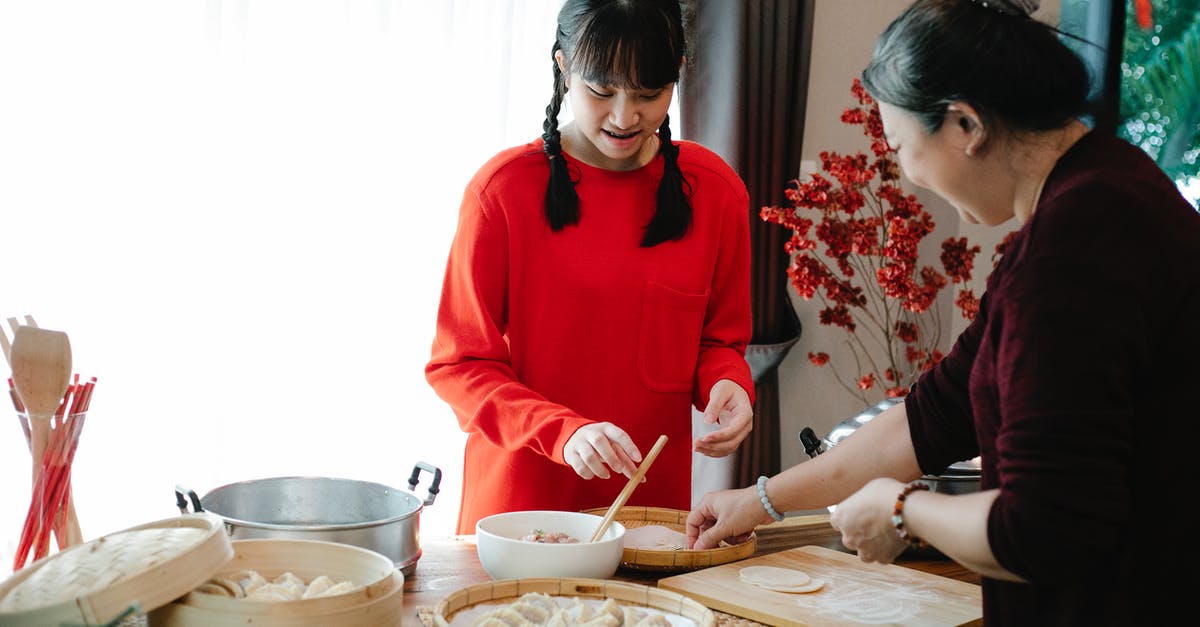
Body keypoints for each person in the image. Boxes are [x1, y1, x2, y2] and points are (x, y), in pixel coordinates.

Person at [686, 0, 1199, 624]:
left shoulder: (1071, 258)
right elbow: (930, 418)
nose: (905, 172)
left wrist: (903, 513)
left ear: (966, 125)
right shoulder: (1104, 193)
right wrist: (762, 500)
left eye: (901, 145)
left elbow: (1048, 526)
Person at [426, 0, 756, 535]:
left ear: (678, 76)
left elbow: (719, 342)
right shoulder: (503, 192)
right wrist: (561, 432)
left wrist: (732, 384)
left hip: (648, 519)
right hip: (517, 518)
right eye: (601, 92)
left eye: (649, 94)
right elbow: (458, 366)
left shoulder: (715, 192)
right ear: (563, 67)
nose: (625, 117)